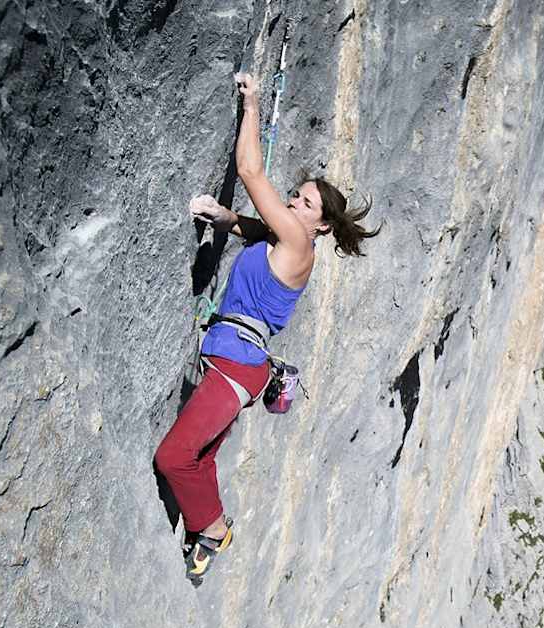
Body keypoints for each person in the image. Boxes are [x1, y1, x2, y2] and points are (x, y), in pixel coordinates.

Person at [154, 72, 378, 582]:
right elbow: (248, 227)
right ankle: (206, 531)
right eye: (296, 197)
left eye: (304, 203)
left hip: (238, 367)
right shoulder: (285, 240)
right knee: (202, 454)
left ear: (320, 225)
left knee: (173, 456)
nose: (294, 203)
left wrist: (252, 103)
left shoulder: (300, 246)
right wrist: (220, 216)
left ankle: (211, 529)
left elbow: (251, 171)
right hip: (237, 363)